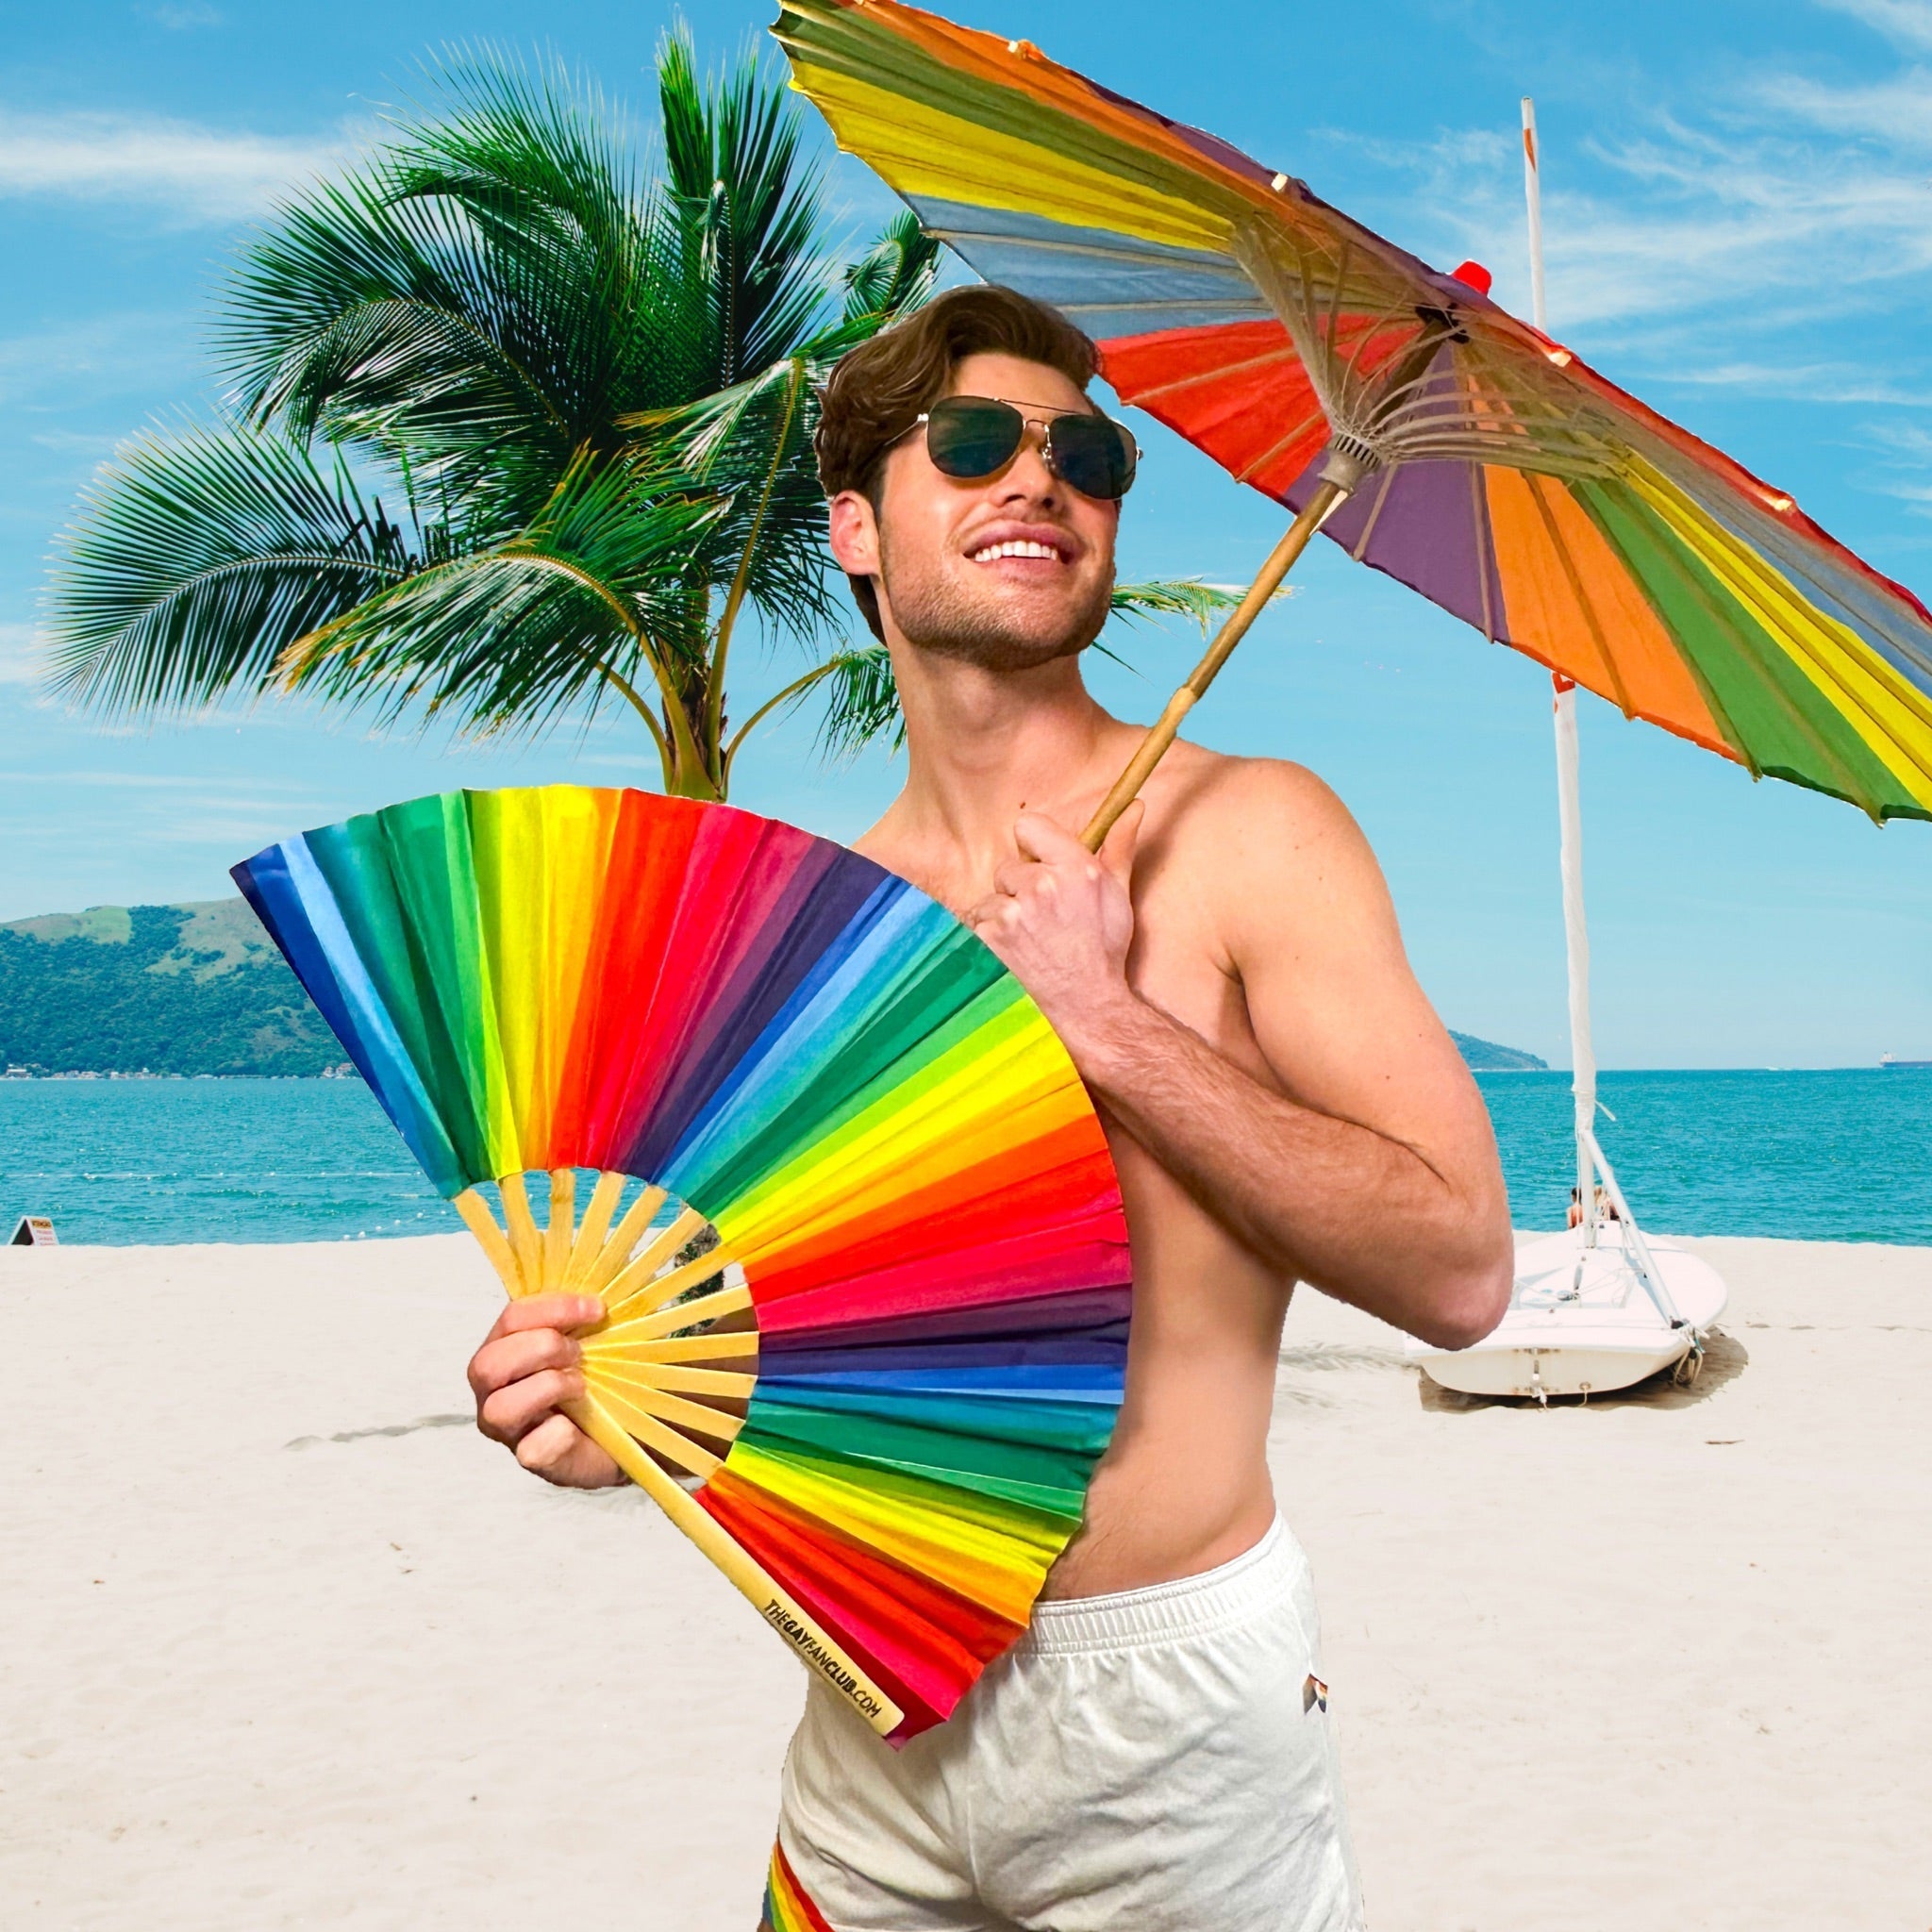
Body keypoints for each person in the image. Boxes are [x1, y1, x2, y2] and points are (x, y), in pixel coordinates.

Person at [466, 285, 1514, 1932]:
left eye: (1085, 456)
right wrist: (622, 1420)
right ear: (858, 531)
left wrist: (1111, 1027)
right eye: (969, 443)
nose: (1040, 480)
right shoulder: (819, 927)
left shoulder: (1254, 832)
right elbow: (810, 1358)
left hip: (1169, 1727)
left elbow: (1461, 1270)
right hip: (870, 1723)